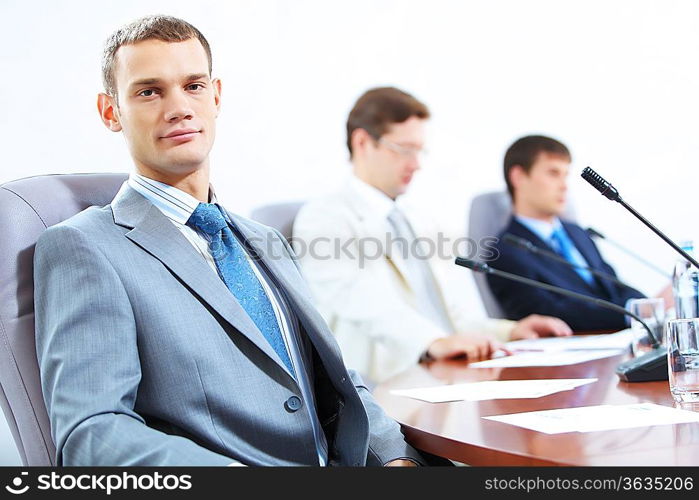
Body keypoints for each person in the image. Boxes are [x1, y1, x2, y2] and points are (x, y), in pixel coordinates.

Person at [33, 16, 428, 467]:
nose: (179, 107)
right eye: (149, 91)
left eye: (194, 86)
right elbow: (92, 434)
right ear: (110, 112)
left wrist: (396, 459)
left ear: (216, 96)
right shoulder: (84, 247)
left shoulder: (264, 239)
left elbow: (332, 377)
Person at [292, 88, 571, 385]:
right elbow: (360, 302)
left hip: (445, 375)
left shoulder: (417, 219)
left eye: (420, 151)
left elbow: (447, 316)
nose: (416, 164)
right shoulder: (325, 217)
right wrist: (433, 341)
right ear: (362, 142)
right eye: (404, 149)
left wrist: (508, 331)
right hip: (385, 385)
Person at [487, 135, 655, 331]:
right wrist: (633, 313)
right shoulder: (506, 252)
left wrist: (647, 305)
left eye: (565, 175)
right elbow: (550, 314)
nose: (564, 185)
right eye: (553, 173)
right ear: (519, 177)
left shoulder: (578, 234)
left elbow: (615, 286)